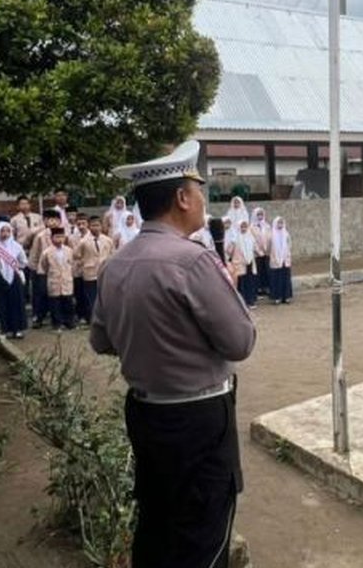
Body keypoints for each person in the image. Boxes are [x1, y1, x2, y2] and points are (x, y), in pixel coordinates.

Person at [90, 141, 255, 568]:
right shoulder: (194, 262)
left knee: (157, 524)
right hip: (199, 420)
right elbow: (241, 342)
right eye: (198, 189)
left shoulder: (116, 264)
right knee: (203, 535)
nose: (203, 199)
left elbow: (101, 341)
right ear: (182, 198)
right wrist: (229, 293)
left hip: (145, 415)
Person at [0, 222, 28, 339]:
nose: (5, 234)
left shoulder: (16, 246)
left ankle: (17, 329)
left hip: (14, 276)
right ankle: (2, 329)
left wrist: (16, 267)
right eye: (2, 231)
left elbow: (23, 261)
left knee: (16, 302)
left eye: (7, 231)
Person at [72, 216, 115, 326]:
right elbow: (76, 255)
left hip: (105, 271)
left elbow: (112, 254)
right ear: (89, 227)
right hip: (89, 272)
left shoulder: (107, 240)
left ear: (101, 226)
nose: (95, 228)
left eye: (97, 225)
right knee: (91, 297)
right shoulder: (84, 241)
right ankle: (93, 318)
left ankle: (106, 318)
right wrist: (85, 261)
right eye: (93, 225)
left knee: (104, 296)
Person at [39, 228, 76, 332]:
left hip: (66, 279)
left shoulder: (69, 250)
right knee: (55, 303)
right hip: (54, 279)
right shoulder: (47, 252)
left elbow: (72, 264)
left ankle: (69, 322)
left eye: (62, 237)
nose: (60, 239)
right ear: (51, 238)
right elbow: (44, 265)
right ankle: (57, 323)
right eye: (57, 237)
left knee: (68, 302)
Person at [226, 219, 258, 308]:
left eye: (245, 226)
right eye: (242, 226)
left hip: (249, 264)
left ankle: (250, 301)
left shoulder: (250, 237)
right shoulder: (235, 238)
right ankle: (242, 303)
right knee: (241, 284)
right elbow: (228, 251)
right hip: (239, 265)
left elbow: (255, 248)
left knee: (250, 283)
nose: (243, 228)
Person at [269, 217, 294, 304]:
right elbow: (269, 247)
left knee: (285, 279)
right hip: (275, 260)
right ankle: (277, 297)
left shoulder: (286, 233)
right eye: (278, 223)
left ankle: (286, 297)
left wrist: (287, 255)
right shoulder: (271, 234)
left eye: (281, 223)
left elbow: (289, 244)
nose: (280, 225)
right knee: (276, 279)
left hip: (285, 260)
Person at [250, 208, 272, 295]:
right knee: (258, 271)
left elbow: (270, 238)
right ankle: (258, 289)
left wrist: (267, 249)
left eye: (261, 214)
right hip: (257, 254)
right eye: (258, 214)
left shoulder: (267, 226)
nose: (260, 216)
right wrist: (259, 251)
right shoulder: (251, 227)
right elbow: (252, 240)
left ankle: (266, 287)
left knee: (266, 271)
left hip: (266, 253)